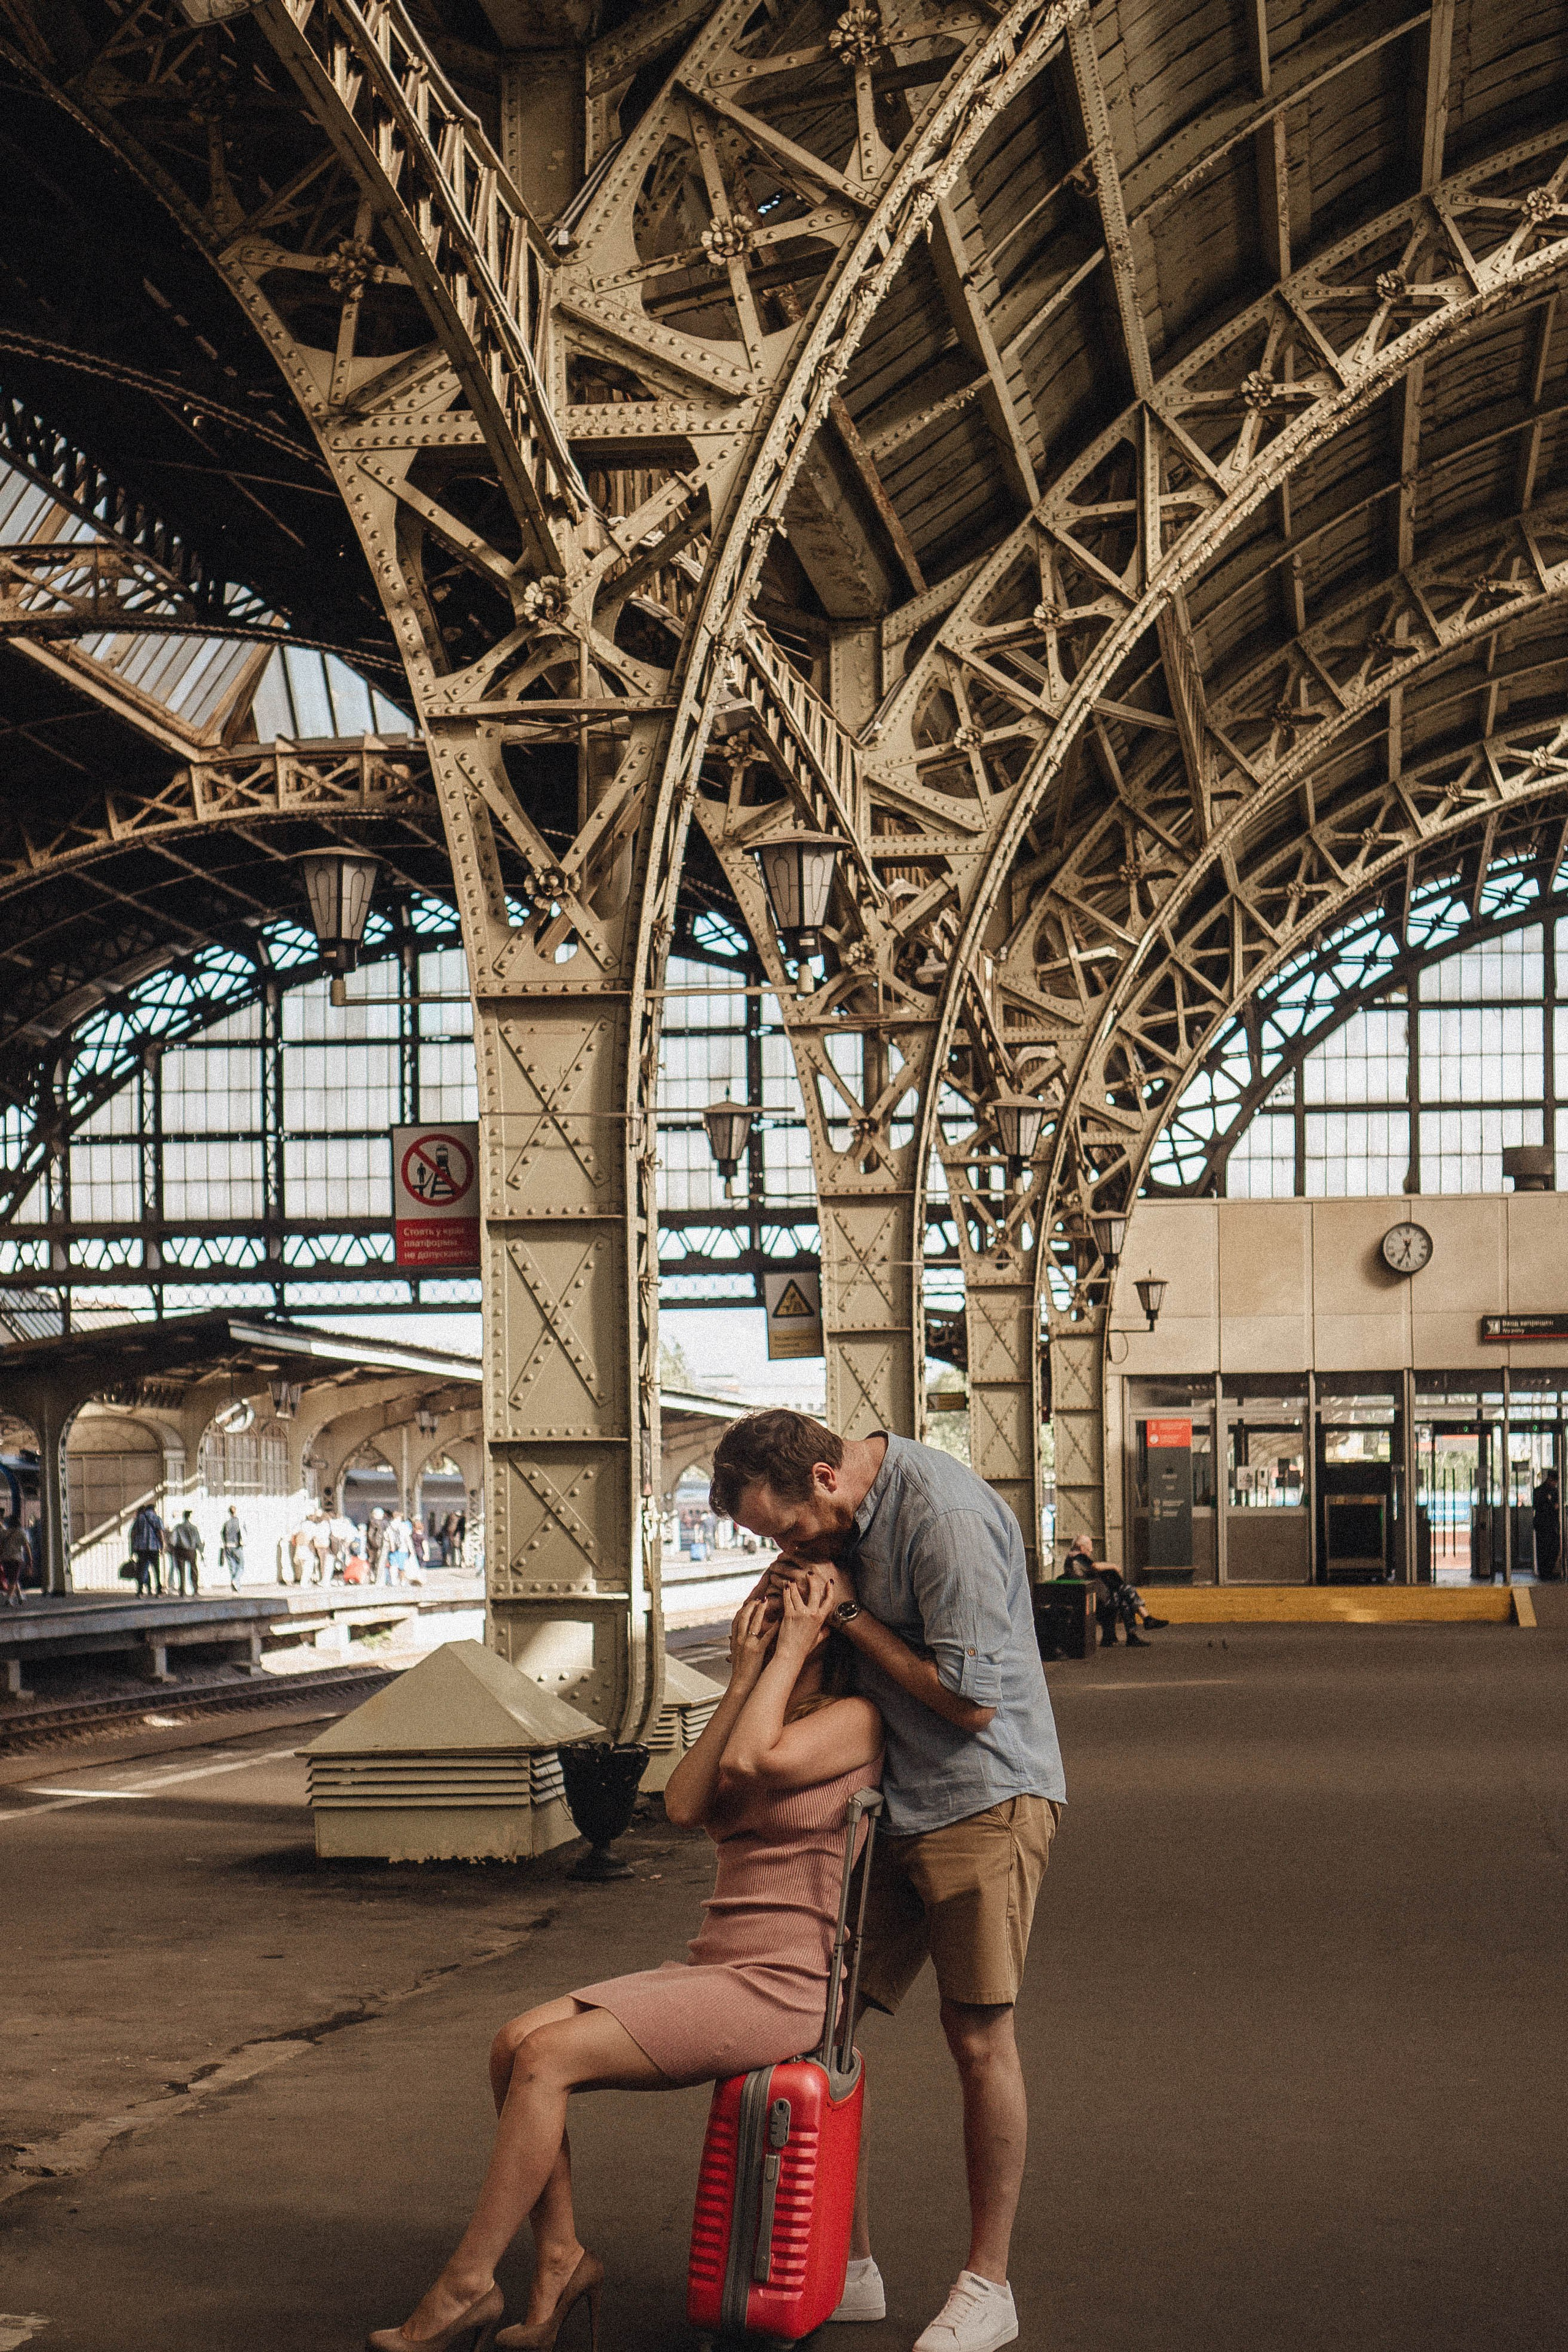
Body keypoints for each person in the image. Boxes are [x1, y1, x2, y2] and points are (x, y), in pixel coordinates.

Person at [365, 1569, 882, 2352]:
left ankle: (468, 2284)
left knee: (547, 2058)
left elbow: (753, 1764)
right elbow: (682, 1803)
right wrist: (744, 1676)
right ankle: (560, 2264)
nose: (768, 1615)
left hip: (787, 1980)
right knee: (512, 2046)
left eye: (788, 1606)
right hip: (717, 1964)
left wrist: (783, 1660)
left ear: (828, 1625)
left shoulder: (857, 1720)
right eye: (767, 1602)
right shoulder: (764, 1700)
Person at [712, 1409, 1065, 2352]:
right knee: (823, 2024)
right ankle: (847, 2263)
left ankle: (989, 2287)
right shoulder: (837, 1520)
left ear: (826, 1477)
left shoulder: (940, 1519)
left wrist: (851, 1617)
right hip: (886, 1800)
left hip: (982, 1796)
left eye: (786, 1530)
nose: (789, 1548)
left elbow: (973, 1702)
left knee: (978, 2034)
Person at [1060, 1534, 1166, 1646]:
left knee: (1124, 1596)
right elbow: (1096, 1566)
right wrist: (1113, 1566)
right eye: (1089, 1549)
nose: (1091, 1552)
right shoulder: (1078, 1556)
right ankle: (1142, 1624)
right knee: (1126, 1594)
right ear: (1081, 1547)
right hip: (1091, 1599)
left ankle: (1142, 1624)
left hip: (1088, 1596)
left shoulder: (1071, 1558)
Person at [130, 1501, 165, 1598]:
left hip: (141, 1549)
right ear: (154, 1510)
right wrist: (162, 1546)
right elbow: (160, 1533)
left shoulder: (140, 1518)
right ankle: (159, 1591)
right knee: (156, 1570)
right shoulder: (157, 1518)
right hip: (154, 1548)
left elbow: (133, 1534)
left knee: (142, 1570)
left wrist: (133, 1549)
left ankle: (140, 1591)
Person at [1532, 1468, 1561, 1580]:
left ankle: (1549, 1570)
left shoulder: (1555, 1491)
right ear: (1549, 1479)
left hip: (1552, 1525)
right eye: (1554, 1481)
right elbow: (1539, 1506)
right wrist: (1551, 1506)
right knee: (1543, 1549)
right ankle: (1544, 1572)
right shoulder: (1539, 1491)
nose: (1555, 1484)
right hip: (1543, 1525)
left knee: (1553, 1547)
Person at [167, 1509, 203, 1597]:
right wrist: (201, 1551)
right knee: (194, 1570)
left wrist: (172, 1550)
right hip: (191, 1551)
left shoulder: (178, 1527)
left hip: (180, 1551)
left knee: (181, 1571)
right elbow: (198, 1542)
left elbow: (172, 1541)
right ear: (190, 1517)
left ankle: (182, 1591)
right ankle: (195, 1590)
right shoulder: (194, 1528)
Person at [0, 1515, 30, 1606]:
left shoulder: (5, 1533)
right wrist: (30, 1560)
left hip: (5, 1558)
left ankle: (20, 1596)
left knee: (12, 1578)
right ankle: (9, 1600)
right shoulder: (21, 1533)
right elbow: (26, 1546)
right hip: (16, 1559)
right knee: (13, 1579)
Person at [219, 1503, 245, 1592]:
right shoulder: (239, 1521)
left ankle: (236, 1587)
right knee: (241, 1565)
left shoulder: (227, 1523)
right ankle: (236, 1581)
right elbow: (242, 1533)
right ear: (236, 1511)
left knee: (232, 1567)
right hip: (236, 1546)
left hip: (227, 1546)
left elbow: (222, 1533)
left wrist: (225, 1542)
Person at [365, 1507, 389, 1586]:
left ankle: (375, 1578)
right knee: (381, 1562)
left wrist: (371, 1544)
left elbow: (370, 1535)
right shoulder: (386, 1523)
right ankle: (381, 1580)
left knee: (373, 1562)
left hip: (373, 1546)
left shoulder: (371, 1523)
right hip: (383, 1545)